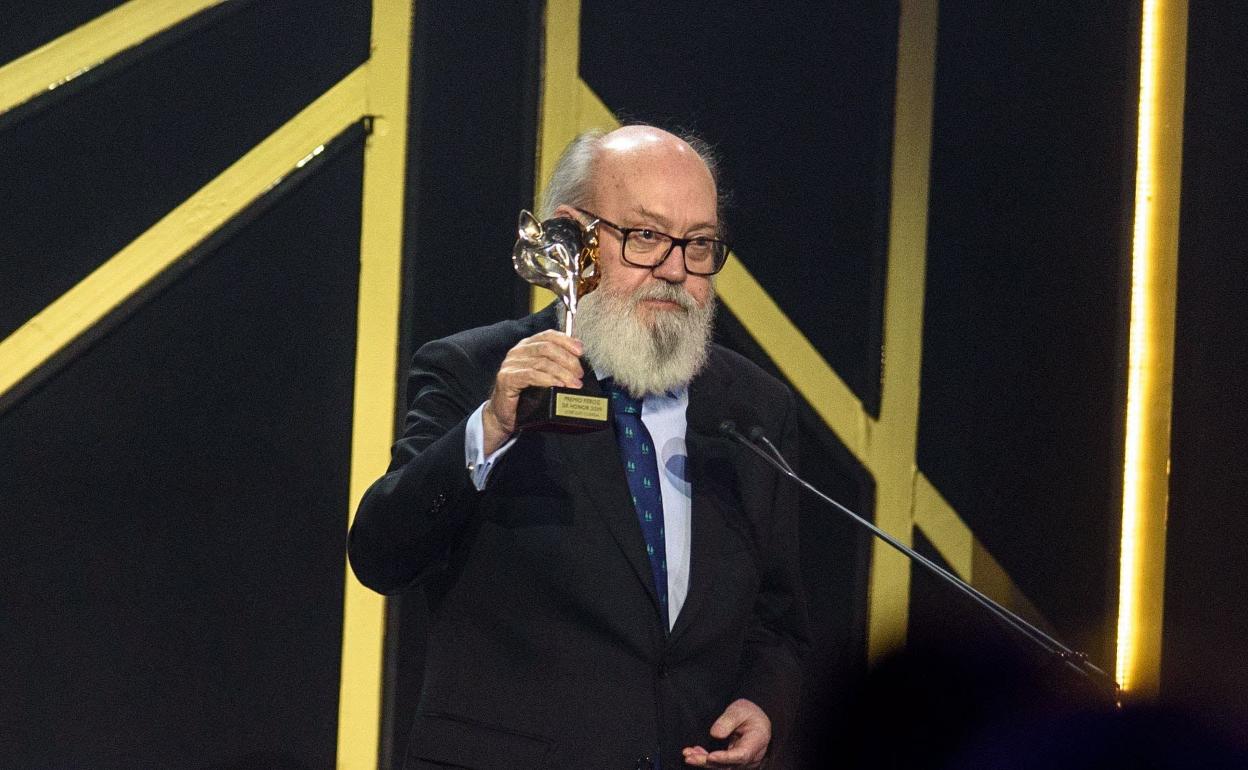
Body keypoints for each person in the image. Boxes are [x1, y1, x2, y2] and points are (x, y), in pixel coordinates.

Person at [348, 125, 809, 769]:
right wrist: (491, 428)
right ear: (574, 237)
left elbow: (778, 620)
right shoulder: (476, 371)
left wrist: (765, 704)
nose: (676, 269)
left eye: (699, 245)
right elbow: (380, 554)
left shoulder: (754, 409)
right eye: (646, 237)